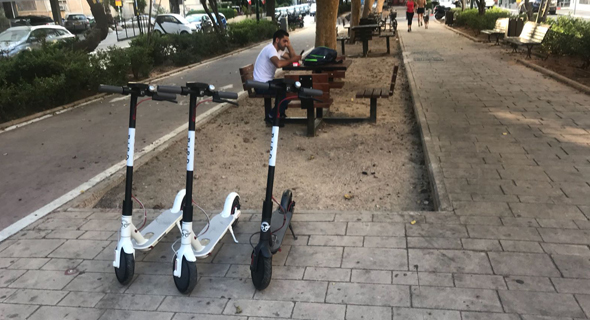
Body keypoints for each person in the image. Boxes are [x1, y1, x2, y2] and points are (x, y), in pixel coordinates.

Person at [253, 29, 302, 124]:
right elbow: (278, 64)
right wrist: (293, 60)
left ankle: (279, 112)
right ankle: (273, 116)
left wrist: (289, 45)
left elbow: (292, 58)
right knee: (287, 89)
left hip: (266, 82)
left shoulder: (279, 51)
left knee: (291, 85)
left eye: (287, 41)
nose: (286, 44)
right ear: (277, 40)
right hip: (261, 85)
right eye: (284, 41)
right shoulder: (270, 49)